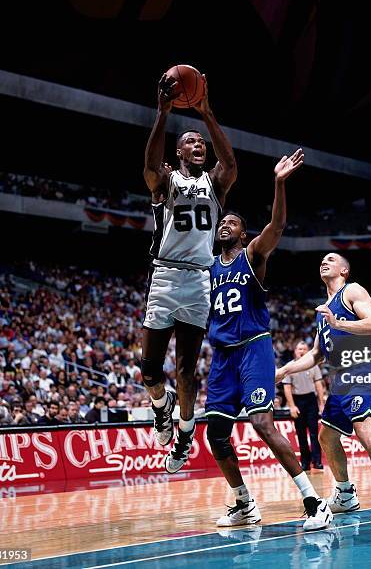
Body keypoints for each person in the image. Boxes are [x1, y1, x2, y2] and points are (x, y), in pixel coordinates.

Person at [202, 150, 333, 531]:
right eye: (221, 221)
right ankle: (243, 503)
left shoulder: (253, 254)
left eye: (232, 222)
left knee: (262, 421)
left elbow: (277, 225)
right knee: (217, 435)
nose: (225, 224)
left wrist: (278, 183)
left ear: (243, 234)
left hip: (254, 347)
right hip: (222, 356)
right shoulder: (208, 268)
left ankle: (313, 501)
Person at [141, 71, 237, 472]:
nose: (198, 146)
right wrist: (162, 114)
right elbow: (148, 166)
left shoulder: (216, 184)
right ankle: (161, 408)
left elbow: (229, 163)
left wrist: (207, 113)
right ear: (179, 152)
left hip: (199, 278)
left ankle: (183, 435)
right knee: (149, 369)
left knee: (185, 370)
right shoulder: (166, 180)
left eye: (201, 143)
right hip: (164, 276)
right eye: (191, 142)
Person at [276, 253, 371, 524]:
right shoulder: (323, 310)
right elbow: (316, 354)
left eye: (331, 259)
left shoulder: (352, 291)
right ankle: (345, 494)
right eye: (322, 260)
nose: (324, 262)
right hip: (341, 379)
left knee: (364, 430)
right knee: (326, 436)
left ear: (345, 270)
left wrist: (339, 324)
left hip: (364, 369)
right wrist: (283, 371)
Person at [282, 340, 326, 471]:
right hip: (297, 401)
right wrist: (292, 406)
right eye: (299, 349)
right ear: (295, 351)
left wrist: (321, 403)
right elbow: (287, 388)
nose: (301, 351)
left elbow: (318, 384)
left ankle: (317, 461)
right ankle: (305, 463)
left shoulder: (314, 365)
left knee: (314, 433)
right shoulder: (289, 366)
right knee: (301, 434)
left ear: (308, 351)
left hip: (311, 400)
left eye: (304, 349)